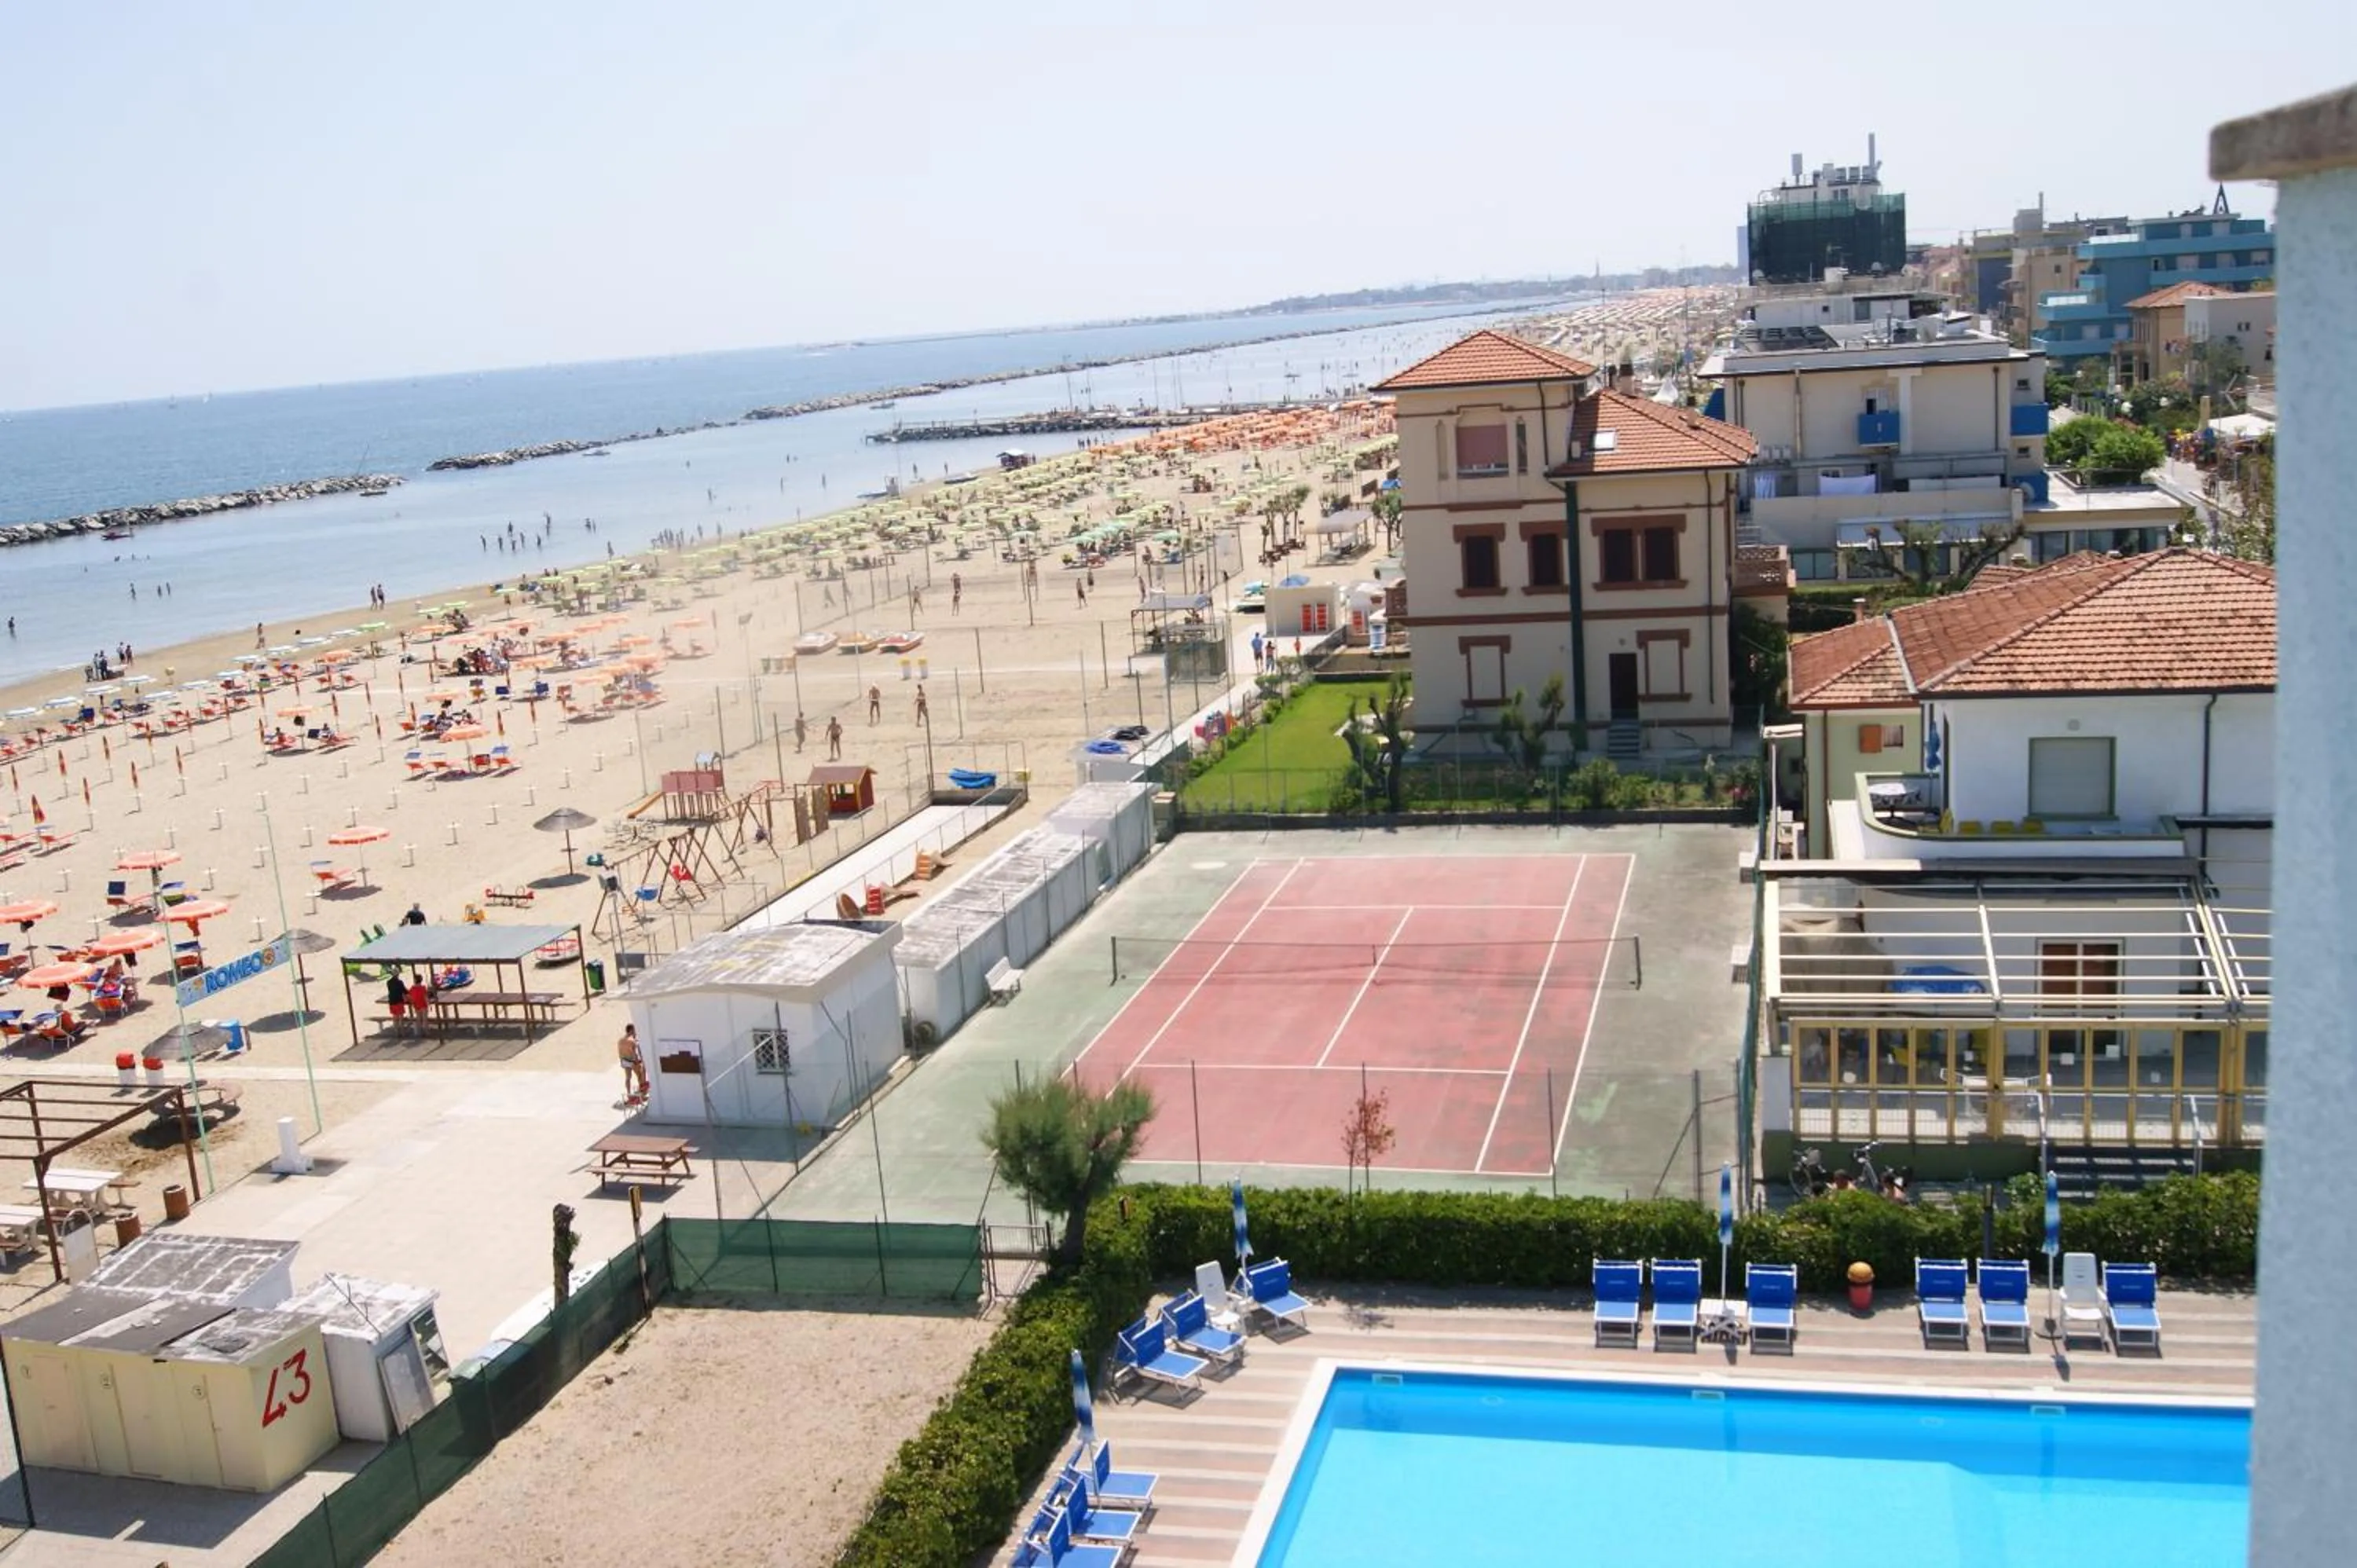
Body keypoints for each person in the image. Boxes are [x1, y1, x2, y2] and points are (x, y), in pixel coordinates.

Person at [618, 1023, 647, 1102]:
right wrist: (638, 1063)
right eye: (634, 1030)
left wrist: (622, 1062)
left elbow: (620, 1052)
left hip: (624, 1061)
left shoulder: (620, 1040)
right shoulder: (632, 1041)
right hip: (632, 1061)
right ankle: (643, 1095)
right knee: (640, 1076)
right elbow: (635, 1054)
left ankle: (629, 1094)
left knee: (628, 1078)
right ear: (631, 1030)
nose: (635, 1031)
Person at [387, 971, 409, 1035]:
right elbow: (405, 991)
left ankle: (396, 1032)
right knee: (401, 1017)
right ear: (398, 975)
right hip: (399, 1000)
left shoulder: (388, 982)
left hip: (392, 1000)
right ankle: (402, 1032)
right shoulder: (400, 982)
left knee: (395, 1017)